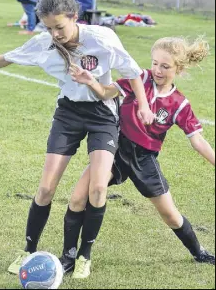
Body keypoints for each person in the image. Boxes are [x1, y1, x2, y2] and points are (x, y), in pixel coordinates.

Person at [0, 0, 155, 275]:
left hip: (102, 114)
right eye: (48, 27)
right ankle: (28, 250)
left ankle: (84, 256)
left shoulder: (102, 39)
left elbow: (132, 72)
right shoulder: (43, 43)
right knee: (45, 188)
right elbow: (4, 59)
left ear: (75, 17)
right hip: (68, 113)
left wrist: (142, 105)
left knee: (99, 187)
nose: (54, 33)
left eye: (59, 27)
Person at [60, 36, 215, 278]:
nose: (157, 70)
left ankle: (199, 252)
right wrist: (90, 81)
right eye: (155, 63)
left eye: (165, 66)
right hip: (115, 151)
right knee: (79, 196)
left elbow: (197, 141)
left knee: (170, 215)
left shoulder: (179, 104)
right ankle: (71, 256)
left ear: (179, 69)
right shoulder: (139, 78)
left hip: (145, 160)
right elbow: (105, 93)